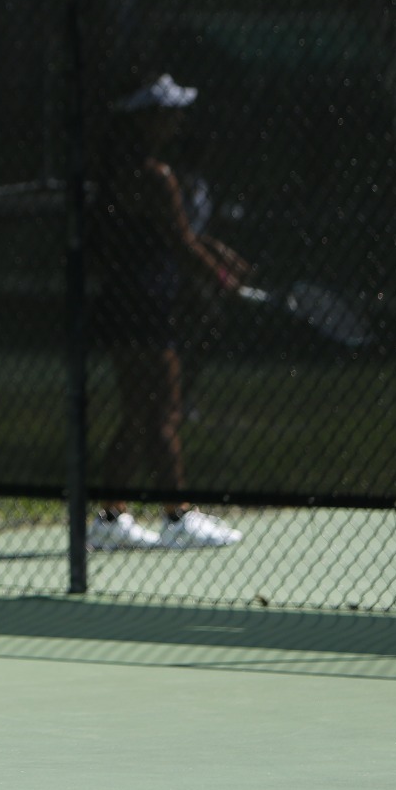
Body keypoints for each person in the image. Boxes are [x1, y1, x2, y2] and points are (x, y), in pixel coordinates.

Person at [89, 72, 249, 550]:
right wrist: (224, 281)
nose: (179, 120)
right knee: (164, 410)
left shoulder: (120, 171)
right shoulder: (156, 175)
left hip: (125, 300)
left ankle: (110, 518)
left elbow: (167, 235)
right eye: (170, 111)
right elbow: (179, 243)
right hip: (146, 303)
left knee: (139, 412)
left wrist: (216, 254)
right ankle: (178, 516)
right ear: (150, 120)